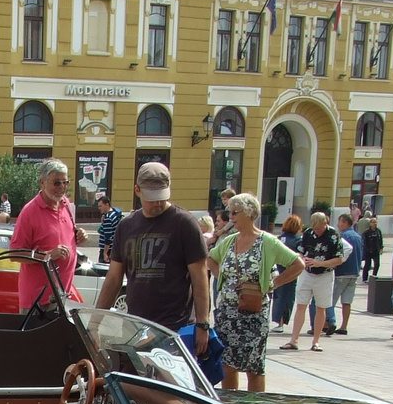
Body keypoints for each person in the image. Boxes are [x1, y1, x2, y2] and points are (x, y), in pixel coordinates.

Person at [97, 162, 210, 357]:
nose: (157, 203)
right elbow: (114, 278)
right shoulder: (126, 226)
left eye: (162, 197)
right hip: (135, 326)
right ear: (137, 191)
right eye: (151, 198)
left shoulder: (185, 223)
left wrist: (203, 324)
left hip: (175, 328)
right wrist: (95, 323)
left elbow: (200, 278)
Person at [207, 192, 304, 392]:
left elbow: (297, 264)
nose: (231, 216)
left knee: (254, 366)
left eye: (235, 212)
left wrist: (274, 283)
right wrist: (222, 278)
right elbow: (210, 258)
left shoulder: (267, 242)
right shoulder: (229, 241)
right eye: (230, 212)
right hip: (228, 314)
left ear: (250, 213)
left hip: (253, 315)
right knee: (228, 365)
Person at [8, 158, 87, 311]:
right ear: (42, 182)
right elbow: (15, 254)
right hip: (39, 303)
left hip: (62, 297)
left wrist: (80, 235)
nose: (62, 187)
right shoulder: (30, 212)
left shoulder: (66, 205)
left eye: (65, 182)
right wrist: (48, 255)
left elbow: (66, 234)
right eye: (57, 183)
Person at [282, 211, 344, 352]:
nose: (316, 230)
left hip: (324, 274)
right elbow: (300, 251)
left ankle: (316, 341)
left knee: (321, 307)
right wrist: (302, 260)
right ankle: (294, 340)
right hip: (307, 273)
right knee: (301, 305)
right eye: (314, 228)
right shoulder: (309, 233)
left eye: (319, 228)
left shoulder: (333, 235)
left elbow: (339, 259)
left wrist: (320, 263)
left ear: (325, 223)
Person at [269, 214, 304, 334]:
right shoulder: (298, 241)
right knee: (288, 297)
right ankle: (282, 322)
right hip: (289, 272)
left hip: (277, 270)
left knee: (278, 296)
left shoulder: (279, 239)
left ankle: (277, 320)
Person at [332, 212, 364, 335]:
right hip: (354, 271)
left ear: (345, 222)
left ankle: (328, 323)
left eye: (339, 222)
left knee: (331, 300)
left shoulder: (343, 236)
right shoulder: (358, 236)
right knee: (347, 301)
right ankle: (344, 326)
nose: (338, 224)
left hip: (342, 271)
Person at [96, 194, 123, 264]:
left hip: (107, 250)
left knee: (103, 271)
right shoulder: (114, 214)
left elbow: (108, 237)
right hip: (114, 248)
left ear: (107, 205)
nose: (99, 208)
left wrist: (105, 253)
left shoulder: (108, 218)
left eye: (101, 206)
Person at [360, 216, 384, 283]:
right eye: (373, 222)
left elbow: (380, 240)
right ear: (370, 223)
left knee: (377, 264)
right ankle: (365, 278)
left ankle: (374, 276)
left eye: (376, 222)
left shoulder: (378, 231)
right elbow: (364, 242)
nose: (375, 224)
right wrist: (365, 250)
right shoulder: (366, 232)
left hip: (376, 251)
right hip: (368, 251)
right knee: (367, 265)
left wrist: (381, 248)